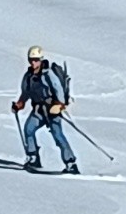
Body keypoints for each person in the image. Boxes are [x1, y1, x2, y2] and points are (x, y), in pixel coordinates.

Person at [11, 45, 79, 173]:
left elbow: (58, 89)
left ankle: (71, 163)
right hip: (38, 111)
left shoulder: (48, 75)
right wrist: (19, 104)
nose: (33, 62)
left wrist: (59, 105)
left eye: (36, 59)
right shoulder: (28, 76)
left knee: (58, 136)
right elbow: (25, 93)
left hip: (52, 110)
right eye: (31, 59)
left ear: (41, 59)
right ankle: (33, 158)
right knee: (29, 129)